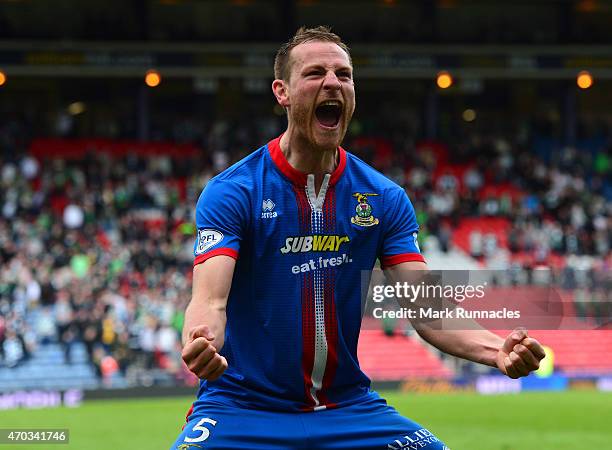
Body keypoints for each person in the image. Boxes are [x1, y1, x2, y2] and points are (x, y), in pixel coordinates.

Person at [171, 26, 545, 450]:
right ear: (283, 91)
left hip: (348, 409)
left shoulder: (384, 198)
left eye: (343, 75)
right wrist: (200, 339)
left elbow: (425, 307)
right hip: (242, 407)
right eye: (315, 73)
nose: (332, 82)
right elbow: (210, 300)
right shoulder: (234, 190)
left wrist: (497, 351)